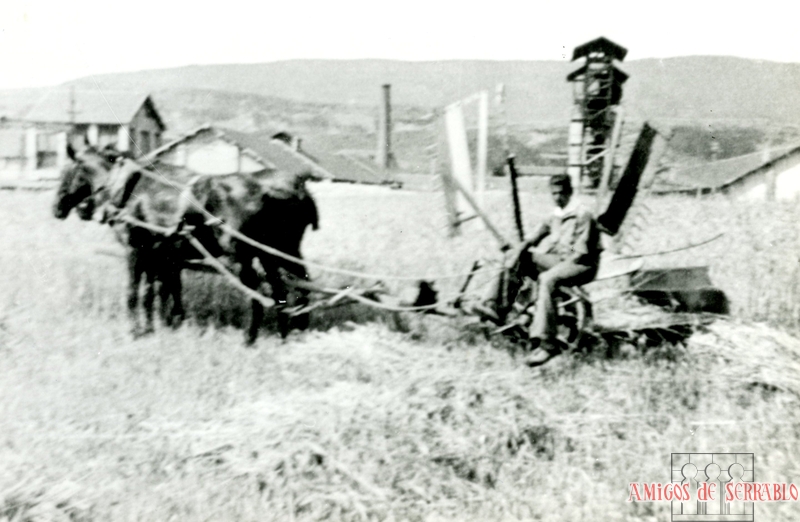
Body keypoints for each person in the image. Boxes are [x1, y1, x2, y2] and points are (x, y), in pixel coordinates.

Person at [474, 174, 602, 367]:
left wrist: (554, 269)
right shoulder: (555, 215)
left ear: (570, 192)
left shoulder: (583, 214)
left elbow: (580, 253)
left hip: (582, 265)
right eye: (554, 194)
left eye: (561, 193)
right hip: (561, 261)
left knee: (547, 279)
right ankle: (496, 306)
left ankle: (547, 344)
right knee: (520, 258)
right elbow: (534, 237)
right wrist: (517, 252)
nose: (558, 198)